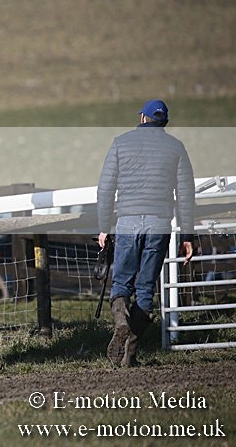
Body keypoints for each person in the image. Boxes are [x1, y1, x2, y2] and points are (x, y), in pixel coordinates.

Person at [97, 99, 195, 367]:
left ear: (142, 118)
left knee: (121, 283)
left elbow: (105, 188)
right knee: (145, 289)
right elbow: (186, 194)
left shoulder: (120, 143)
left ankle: (120, 323)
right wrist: (187, 235)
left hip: (127, 221)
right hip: (159, 223)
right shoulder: (176, 148)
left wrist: (103, 227)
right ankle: (129, 355)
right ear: (164, 123)